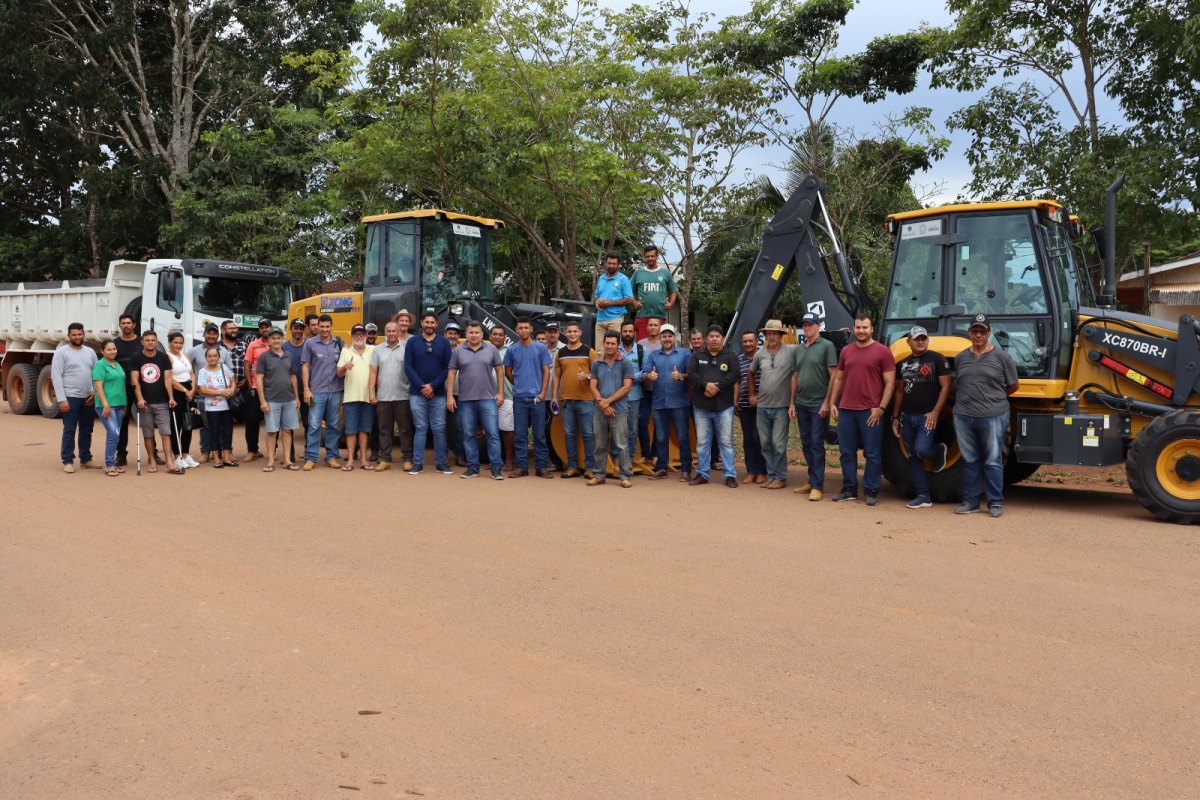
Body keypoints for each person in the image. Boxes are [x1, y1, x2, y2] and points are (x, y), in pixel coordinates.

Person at [953, 313, 1019, 517]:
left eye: (983, 330)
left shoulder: (1002, 357)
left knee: (992, 460)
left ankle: (995, 503)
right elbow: (958, 383)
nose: (979, 334)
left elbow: (1014, 385)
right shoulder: (961, 357)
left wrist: (994, 399)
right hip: (963, 415)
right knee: (970, 459)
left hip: (993, 415)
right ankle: (970, 501)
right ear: (969, 332)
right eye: (975, 330)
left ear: (989, 333)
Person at [828, 314, 895, 505]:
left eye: (865, 327)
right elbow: (839, 378)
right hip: (847, 409)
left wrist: (881, 408)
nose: (861, 331)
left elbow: (890, 383)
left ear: (871, 329)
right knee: (846, 452)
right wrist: (834, 402)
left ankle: (871, 490)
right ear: (854, 328)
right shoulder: (846, 351)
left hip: (870, 411)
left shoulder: (883, 352)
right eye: (858, 327)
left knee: (872, 453)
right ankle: (849, 488)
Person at [890, 325, 952, 509]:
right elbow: (899, 391)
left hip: (927, 416)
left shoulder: (937, 359)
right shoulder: (903, 364)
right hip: (907, 417)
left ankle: (938, 450)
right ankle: (923, 495)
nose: (920, 341)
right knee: (912, 456)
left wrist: (935, 412)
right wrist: (895, 417)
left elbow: (946, 387)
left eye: (923, 338)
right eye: (916, 339)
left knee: (921, 450)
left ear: (928, 340)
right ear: (908, 342)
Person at [447, 322, 505, 479]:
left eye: (477, 333)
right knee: (468, 435)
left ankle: (496, 468)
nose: (474, 335)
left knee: (492, 434)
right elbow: (452, 372)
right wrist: (450, 395)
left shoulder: (491, 349)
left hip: (488, 399)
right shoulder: (459, 351)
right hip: (466, 401)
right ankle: (472, 467)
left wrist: (500, 393)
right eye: (471, 332)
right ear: (467, 334)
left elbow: (500, 370)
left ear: (482, 335)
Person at [790, 312, 838, 501]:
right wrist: (791, 402)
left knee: (817, 443)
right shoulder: (799, 349)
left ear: (818, 326)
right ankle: (812, 480)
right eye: (805, 325)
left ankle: (817, 486)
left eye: (811, 324)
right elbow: (795, 376)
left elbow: (833, 375)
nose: (808, 327)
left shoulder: (827, 346)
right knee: (806, 443)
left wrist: (828, 401)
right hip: (801, 403)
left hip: (819, 404)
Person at [687, 325, 740, 488]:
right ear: (706, 339)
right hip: (702, 406)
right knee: (702, 442)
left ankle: (729, 475)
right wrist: (705, 385)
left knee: (726, 442)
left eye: (718, 336)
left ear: (722, 338)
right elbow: (691, 374)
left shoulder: (731, 356)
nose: (715, 339)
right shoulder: (697, 356)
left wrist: (715, 387)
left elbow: (734, 375)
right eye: (711, 336)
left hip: (724, 406)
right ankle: (702, 473)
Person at [503, 316, 554, 478]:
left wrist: (543, 392)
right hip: (519, 399)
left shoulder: (540, 348)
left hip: (537, 399)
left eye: (526, 328)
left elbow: (546, 370)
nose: (523, 331)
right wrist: (518, 384)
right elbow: (507, 372)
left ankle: (541, 467)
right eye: (520, 328)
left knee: (539, 434)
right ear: (517, 330)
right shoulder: (512, 350)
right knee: (519, 434)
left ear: (531, 329)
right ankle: (522, 467)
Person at [404, 312, 454, 475]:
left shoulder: (444, 343)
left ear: (437, 324)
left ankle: (441, 463)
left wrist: (432, 386)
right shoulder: (412, 342)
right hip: (417, 394)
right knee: (421, 427)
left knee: (439, 428)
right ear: (421, 323)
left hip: (438, 394)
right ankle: (418, 463)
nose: (429, 325)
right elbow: (408, 367)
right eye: (427, 322)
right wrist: (422, 387)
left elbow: (448, 368)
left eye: (432, 322)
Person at [749, 319, 796, 489]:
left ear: (781, 335)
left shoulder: (791, 351)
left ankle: (781, 477)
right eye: (768, 333)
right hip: (762, 407)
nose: (771, 336)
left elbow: (809, 347)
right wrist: (753, 394)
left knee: (778, 443)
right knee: (765, 443)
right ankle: (771, 475)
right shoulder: (760, 353)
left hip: (782, 406)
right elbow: (751, 372)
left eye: (774, 333)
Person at [642, 323, 692, 481]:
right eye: (664, 336)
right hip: (659, 403)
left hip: (680, 403)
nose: (667, 339)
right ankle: (662, 468)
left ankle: (686, 469)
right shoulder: (654, 355)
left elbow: (693, 375)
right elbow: (644, 372)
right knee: (661, 437)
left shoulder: (684, 354)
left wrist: (681, 376)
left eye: (670, 336)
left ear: (674, 337)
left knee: (682, 437)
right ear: (660, 338)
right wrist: (649, 376)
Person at [130, 330, 181, 474]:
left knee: (166, 432)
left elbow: (167, 380)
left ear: (157, 342)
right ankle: (152, 460)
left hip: (162, 401)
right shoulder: (136, 358)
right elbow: (135, 380)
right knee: (148, 434)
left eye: (153, 340)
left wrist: (171, 398)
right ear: (142, 342)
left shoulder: (163, 357)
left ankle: (169, 462)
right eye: (147, 340)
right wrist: (139, 398)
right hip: (145, 402)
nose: (150, 342)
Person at [588, 331, 636, 487]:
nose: (609, 346)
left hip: (620, 410)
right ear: (603, 343)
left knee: (621, 444)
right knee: (600, 444)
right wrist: (602, 403)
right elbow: (593, 385)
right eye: (607, 343)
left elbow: (627, 387)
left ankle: (624, 476)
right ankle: (599, 475)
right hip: (599, 410)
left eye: (613, 343)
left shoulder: (626, 362)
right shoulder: (596, 363)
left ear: (618, 344)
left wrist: (607, 402)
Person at [552, 322, 597, 479]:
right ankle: (572, 466)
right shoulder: (561, 352)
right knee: (569, 434)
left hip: (586, 399)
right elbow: (556, 375)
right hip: (566, 399)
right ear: (565, 333)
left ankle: (590, 468)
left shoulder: (588, 351)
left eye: (574, 331)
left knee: (588, 433)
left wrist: (587, 376)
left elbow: (597, 373)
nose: (572, 334)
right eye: (569, 331)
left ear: (580, 333)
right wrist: (554, 397)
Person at [53, 322, 98, 473]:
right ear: (69, 336)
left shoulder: (90, 352)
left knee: (87, 429)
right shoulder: (61, 352)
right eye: (74, 335)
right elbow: (56, 376)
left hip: (88, 397)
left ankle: (85, 459)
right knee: (69, 430)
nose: (77, 337)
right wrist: (62, 399)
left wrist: (94, 392)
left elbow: (96, 374)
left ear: (83, 334)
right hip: (70, 397)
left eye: (80, 334)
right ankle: (68, 460)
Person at [301, 314, 344, 470]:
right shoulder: (310, 344)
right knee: (314, 425)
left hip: (335, 390)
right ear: (317, 327)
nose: (325, 329)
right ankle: (311, 458)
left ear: (332, 327)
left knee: (333, 424)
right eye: (322, 326)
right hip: (317, 391)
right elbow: (305, 366)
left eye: (327, 326)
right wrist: (306, 389)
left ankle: (331, 456)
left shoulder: (339, 343)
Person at [369, 320, 413, 472]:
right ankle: (385, 459)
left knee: (405, 430)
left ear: (398, 332)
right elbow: (373, 371)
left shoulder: (406, 348)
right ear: (385, 332)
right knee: (384, 429)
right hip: (383, 397)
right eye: (389, 331)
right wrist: (371, 392)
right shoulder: (378, 350)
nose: (392, 333)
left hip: (403, 396)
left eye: (394, 331)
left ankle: (407, 459)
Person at [256, 327, 301, 472]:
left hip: (289, 399)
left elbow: (293, 377)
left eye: (278, 338)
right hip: (271, 400)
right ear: (269, 340)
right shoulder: (264, 357)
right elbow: (259, 379)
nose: (276, 340)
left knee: (287, 431)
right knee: (272, 432)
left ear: (282, 339)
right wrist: (262, 401)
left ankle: (287, 460)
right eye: (273, 338)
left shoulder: (288, 355)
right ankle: (270, 461)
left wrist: (297, 397)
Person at [188, 323, 232, 462]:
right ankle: (206, 451)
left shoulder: (224, 351)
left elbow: (230, 372)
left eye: (214, 333)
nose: (211, 336)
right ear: (204, 334)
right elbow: (188, 370)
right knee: (206, 425)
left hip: (224, 397)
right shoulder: (194, 351)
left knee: (223, 425)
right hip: (202, 395)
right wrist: (192, 388)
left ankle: (224, 452)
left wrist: (230, 390)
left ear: (218, 335)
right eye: (209, 333)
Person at [337, 323, 376, 471]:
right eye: (356, 334)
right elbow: (338, 374)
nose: (359, 337)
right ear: (352, 336)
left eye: (361, 334)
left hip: (368, 397)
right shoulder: (346, 351)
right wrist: (344, 367)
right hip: (350, 397)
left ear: (366, 336)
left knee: (364, 430)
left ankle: (364, 459)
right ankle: (351, 460)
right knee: (350, 431)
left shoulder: (373, 350)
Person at [196, 346, 238, 468]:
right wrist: (221, 393)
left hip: (227, 406)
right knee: (213, 432)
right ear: (206, 358)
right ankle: (215, 458)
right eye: (210, 356)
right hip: (212, 407)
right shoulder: (203, 372)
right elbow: (202, 389)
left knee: (228, 431)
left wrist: (231, 390)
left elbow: (233, 380)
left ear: (219, 357)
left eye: (215, 356)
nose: (212, 358)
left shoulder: (224, 367)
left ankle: (226, 457)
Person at [113, 314, 144, 466]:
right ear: (120, 325)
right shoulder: (115, 344)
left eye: (128, 323)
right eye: (123, 323)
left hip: (142, 387)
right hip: (122, 389)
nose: (126, 325)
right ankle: (121, 455)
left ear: (134, 325)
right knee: (122, 422)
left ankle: (153, 453)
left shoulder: (142, 342)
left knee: (148, 420)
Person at [735, 331, 766, 485]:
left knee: (758, 438)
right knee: (747, 439)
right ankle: (751, 471)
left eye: (750, 341)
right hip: (745, 405)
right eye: (745, 341)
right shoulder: (739, 359)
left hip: (762, 405)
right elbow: (738, 382)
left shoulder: (763, 356)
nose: (748, 344)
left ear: (756, 341)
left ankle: (762, 471)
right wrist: (735, 401)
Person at [92, 340, 127, 476]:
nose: (112, 351)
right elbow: (98, 386)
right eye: (109, 350)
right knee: (114, 433)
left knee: (115, 435)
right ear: (102, 351)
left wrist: (124, 404)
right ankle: (109, 465)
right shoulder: (100, 365)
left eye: (114, 349)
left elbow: (120, 385)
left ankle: (112, 462)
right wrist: (105, 404)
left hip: (119, 404)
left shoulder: (117, 364)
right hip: (106, 406)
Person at [240, 318, 272, 462]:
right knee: (252, 420)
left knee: (273, 420)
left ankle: (273, 450)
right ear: (259, 330)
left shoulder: (277, 343)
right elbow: (247, 365)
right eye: (262, 327)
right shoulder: (253, 345)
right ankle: (253, 450)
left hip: (273, 389)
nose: (265, 329)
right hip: (255, 387)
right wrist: (249, 383)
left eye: (267, 327)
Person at [631, 245, 678, 340]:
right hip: (642, 316)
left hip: (660, 316)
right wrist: (634, 302)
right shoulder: (638, 273)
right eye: (647, 256)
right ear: (644, 257)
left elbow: (673, 290)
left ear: (657, 257)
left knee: (660, 347)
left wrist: (671, 303)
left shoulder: (665, 272)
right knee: (642, 346)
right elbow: (629, 291)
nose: (650, 258)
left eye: (652, 256)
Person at [617, 320, 648, 466]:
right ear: (621, 333)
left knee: (632, 430)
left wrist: (629, 378)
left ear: (634, 333)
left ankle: (628, 459)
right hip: (616, 398)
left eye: (630, 331)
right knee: (616, 429)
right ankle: (616, 458)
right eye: (625, 331)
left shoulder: (642, 351)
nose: (627, 334)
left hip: (634, 397)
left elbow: (646, 372)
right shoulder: (614, 349)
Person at [165, 331, 198, 469]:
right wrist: (185, 391)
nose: (178, 345)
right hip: (177, 392)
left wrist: (192, 390)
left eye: (180, 343)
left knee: (188, 425)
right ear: (170, 343)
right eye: (175, 342)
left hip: (189, 391)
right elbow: (169, 379)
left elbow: (191, 373)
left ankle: (185, 454)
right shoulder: (168, 357)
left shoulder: (184, 355)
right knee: (176, 425)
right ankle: (177, 456)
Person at [635, 317, 663, 466]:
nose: (653, 327)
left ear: (660, 327)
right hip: (644, 390)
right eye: (650, 325)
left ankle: (656, 453)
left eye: (655, 325)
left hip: (660, 390)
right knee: (641, 421)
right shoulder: (640, 344)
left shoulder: (664, 343)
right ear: (647, 327)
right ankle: (646, 454)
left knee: (659, 422)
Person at [593, 252, 635, 346]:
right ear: (605, 263)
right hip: (600, 319)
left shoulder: (623, 279)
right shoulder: (601, 278)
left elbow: (629, 300)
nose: (611, 266)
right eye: (609, 263)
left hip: (615, 319)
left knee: (614, 349)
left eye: (614, 264)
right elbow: (596, 296)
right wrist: (597, 302)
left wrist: (610, 303)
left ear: (618, 264)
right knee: (599, 351)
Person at [282, 318, 308, 463]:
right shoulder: (284, 347)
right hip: (288, 392)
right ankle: (289, 455)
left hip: (306, 391)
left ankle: (308, 453)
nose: (298, 331)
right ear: (291, 329)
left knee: (309, 423)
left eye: (300, 328)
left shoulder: (308, 345)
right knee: (288, 425)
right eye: (295, 328)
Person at [490, 325, 516, 471]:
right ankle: (495, 460)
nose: (497, 337)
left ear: (505, 337)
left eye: (500, 334)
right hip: (487, 397)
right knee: (492, 430)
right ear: (490, 336)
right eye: (494, 334)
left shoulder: (510, 351)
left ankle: (509, 461)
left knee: (507, 429)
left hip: (507, 395)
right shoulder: (484, 350)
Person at [443, 321, 465, 466]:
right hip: (440, 394)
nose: (452, 335)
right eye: (450, 333)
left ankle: (459, 455)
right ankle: (442, 456)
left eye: (455, 333)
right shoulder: (439, 349)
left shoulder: (464, 350)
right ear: (444, 334)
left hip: (460, 394)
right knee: (441, 426)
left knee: (459, 426)